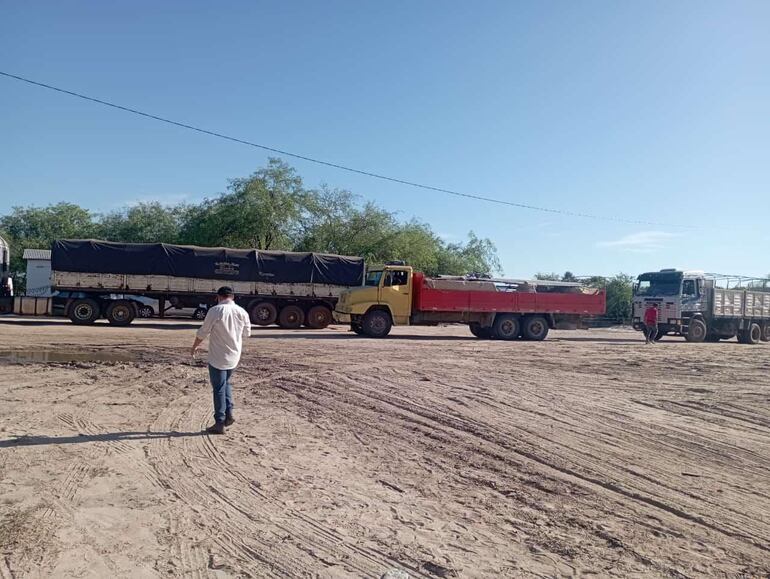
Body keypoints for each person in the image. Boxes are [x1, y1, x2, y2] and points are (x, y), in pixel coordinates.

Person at [191, 286, 251, 435]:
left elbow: (203, 331)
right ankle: (229, 414)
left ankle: (219, 422)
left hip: (218, 356)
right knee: (226, 383)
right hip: (234, 356)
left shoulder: (215, 311)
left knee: (218, 388)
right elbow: (247, 333)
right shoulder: (242, 312)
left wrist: (194, 347)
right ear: (233, 297)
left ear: (218, 297)